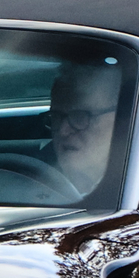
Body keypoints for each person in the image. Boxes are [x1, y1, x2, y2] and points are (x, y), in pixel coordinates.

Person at [45, 68, 125, 197]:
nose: (62, 131)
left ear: (121, 120)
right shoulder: (31, 180)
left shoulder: (136, 189)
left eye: (81, 117)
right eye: (56, 116)